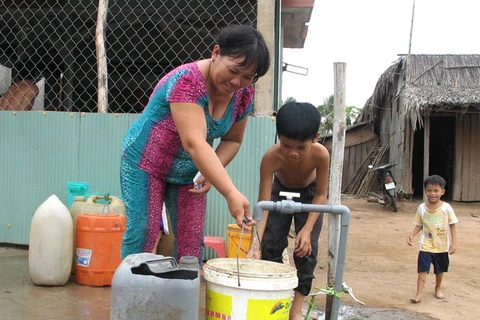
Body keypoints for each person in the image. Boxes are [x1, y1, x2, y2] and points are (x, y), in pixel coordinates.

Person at [120, 24, 270, 261]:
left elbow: (232, 140)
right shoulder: (187, 81)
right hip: (145, 163)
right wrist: (230, 192)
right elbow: (194, 143)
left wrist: (209, 173)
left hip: (189, 173)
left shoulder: (244, 95)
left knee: (191, 243)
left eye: (247, 77)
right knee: (143, 232)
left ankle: (183, 296)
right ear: (216, 52)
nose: (236, 82)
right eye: (233, 70)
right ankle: (130, 295)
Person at [248, 102, 330, 320]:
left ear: (315, 137)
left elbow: (321, 195)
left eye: (301, 147)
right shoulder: (271, 158)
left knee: (306, 250)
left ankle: (296, 310)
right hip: (279, 192)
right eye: (286, 145)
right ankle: (277, 300)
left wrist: (307, 229)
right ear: (278, 136)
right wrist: (255, 241)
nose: (293, 153)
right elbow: (263, 203)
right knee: (270, 246)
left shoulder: (321, 155)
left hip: (310, 195)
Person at [407, 175, 458, 303]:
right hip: (426, 245)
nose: (432, 194)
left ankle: (437, 288)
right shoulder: (422, 208)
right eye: (429, 190)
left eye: (436, 191)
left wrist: (454, 243)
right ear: (425, 191)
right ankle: (418, 294)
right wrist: (412, 234)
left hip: (441, 246)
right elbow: (419, 224)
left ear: (442, 192)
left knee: (439, 270)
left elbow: (452, 225)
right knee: (422, 269)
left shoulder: (446, 208)